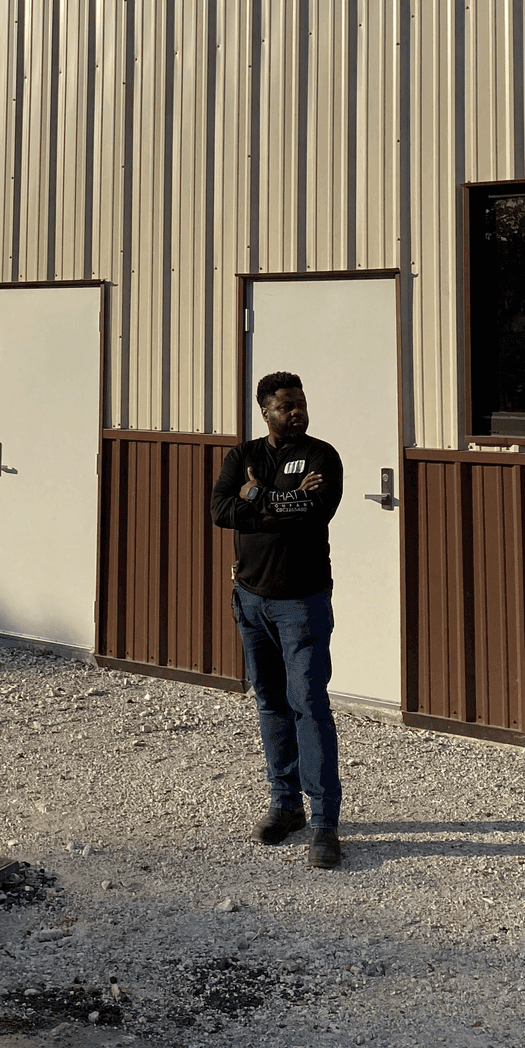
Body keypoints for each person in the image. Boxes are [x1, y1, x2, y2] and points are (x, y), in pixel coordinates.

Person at [210, 371, 345, 868]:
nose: (297, 411)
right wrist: (268, 498)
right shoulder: (242, 456)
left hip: (301, 602)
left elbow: (313, 509)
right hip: (249, 598)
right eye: (286, 406)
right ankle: (285, 804)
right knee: (270, 704)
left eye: (301, 403)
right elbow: (219, 509)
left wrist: (255, 497)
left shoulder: (322, 456)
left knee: (308, 703)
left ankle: (325, 824)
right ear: (264, 410)